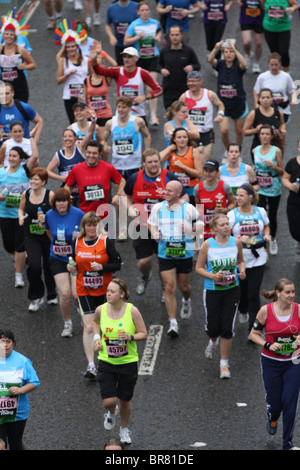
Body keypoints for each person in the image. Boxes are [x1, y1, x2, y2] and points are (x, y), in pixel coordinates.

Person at [123, 147, 188, 297]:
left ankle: (164, 287)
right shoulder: (135, 178)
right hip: (143, 225)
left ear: (160, 161)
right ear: (144, 163)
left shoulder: (169, 177)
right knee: (143, 262)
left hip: (165, 227)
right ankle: (145, 276)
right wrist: (130, 208)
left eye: (156, 161)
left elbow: (184, 197)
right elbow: (125, 195)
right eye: (150, 162)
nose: (153, 165)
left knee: (162, 261)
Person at [93, 278, 147, 445]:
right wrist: (96, 338)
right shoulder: (100, 310)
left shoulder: (132, 311)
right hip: (106, 361)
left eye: (112, 291)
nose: (108, 294)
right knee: (108, 401)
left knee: (125, 400)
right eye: (107, 291)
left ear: (122, 295)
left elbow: (143, 333)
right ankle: (110, 412)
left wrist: (130, 337)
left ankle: (124, 429)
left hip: (128, 362)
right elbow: (95, 323)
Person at [68, 212, 122, 379]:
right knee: (90, 327)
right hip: (84, 290)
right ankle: (91, 365)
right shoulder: (76, 241)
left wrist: (102, 267)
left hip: (105, 291)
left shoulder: (105, 241)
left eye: (94, 225)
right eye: (89, 225)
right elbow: (73, 263)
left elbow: (117, 264)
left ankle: (107, 359)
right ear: (84, 227)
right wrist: (71, 268)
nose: (92, 228)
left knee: (106, 325)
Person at [148, 180, 203, 337]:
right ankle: (173, 323)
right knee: (169, 287)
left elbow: (201, 225)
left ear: (179, 193)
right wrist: (154, 233)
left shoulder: (189, 208)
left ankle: (186, 301)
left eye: (170, 191)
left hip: (184, 253)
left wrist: (189, 229)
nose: (166, 193)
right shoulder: (158, 208)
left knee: (184, 287)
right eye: (165, 190)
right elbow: (151, 224)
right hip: (165, 253)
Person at [249, 279, 300, 450]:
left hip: (294, 362)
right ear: (278, 293)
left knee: (290, 403)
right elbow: (253, 334)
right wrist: (268, 344)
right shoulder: (266, 311)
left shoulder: (299, 310)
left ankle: (288, 444)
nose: (291, 295)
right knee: (276, 403)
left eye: (293, 292)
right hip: (271, 362)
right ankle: (273, 415)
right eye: (288, 292)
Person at [195, 213, 246, 379]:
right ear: (214, 228)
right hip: (212, 290)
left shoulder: (236, 242)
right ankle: (212, 341)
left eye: (228, 224)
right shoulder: (207, 245)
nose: (226, 227)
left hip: (232, 289)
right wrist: (213, 276)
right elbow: (199, 267)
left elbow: (240, 260)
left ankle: (224, 363)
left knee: (227, 328)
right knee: (213, 327)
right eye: (223, 224)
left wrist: (242, 270)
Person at [227, 183, 270, 332]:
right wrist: (239, 239)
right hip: (240, 259)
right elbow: (225, 235)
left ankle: (254, 330)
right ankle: (242, 309)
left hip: (258, 258)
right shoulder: (232, 215)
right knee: (242, 293)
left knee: (253, 295)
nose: (237, 198)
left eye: (241, 195)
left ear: (250, 196)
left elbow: (266, 225)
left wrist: (265, 235)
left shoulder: (260, 211)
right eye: (236, 195)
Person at [45, 188, 85, 338]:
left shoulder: (78, 214)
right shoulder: (49, 215)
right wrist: (58, 248)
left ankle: (83, 315)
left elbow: (86, 232)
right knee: (64, 293)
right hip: (57, 258)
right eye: (58, 201)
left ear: (69, 201)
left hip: (75, 258)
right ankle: (67, 323)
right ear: (54, 203)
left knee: (76, 295)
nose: (61, 204)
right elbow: (49, 233)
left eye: (64, 201)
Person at [18, 167, 57, 312]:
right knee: (34, 266)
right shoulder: (26, 194)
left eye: (36, 179)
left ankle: (52, 294)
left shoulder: (50, 195)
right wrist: (21, 216)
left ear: (43, 182)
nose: (33, 182)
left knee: (49, 265)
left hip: (47, 236)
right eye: (31, 179)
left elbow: (57, 213)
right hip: (31, 236)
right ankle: (36, 296)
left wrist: (47, 218)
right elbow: (21, 209)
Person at [0, 146, 38, 289]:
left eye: (15, 156)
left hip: (22, 214)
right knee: (8, 246)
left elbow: (34, 157)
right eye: (10, 156)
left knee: (19, 246)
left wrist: (32, 138)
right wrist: (1, 197)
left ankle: (18, 275)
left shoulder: (25, 171)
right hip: (4, 214)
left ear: (20, 158)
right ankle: (17, 257)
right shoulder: (1, 173)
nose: (11, 158)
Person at [90, 46, 163, 121]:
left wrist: (145, 97)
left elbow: (159, 90)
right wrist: (94, 59)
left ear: (136, 58)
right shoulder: (117, 71)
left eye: (129, 57)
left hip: (138, 115)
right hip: (121, 115)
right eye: (124, 57)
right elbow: (99, 71)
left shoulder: (142, 73)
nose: (126, 59)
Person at [0, 329, 40, 450]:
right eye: (2, 341)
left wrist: (21, 390)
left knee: (15, 444)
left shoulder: (22, 361)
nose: (5, 345)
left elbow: (34, 382)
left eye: (8, 341)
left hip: (17, 414)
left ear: (13, 343)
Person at [64, 140, 125, 217]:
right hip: (85, 215)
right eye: (89, 152)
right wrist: (67, 195)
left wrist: (118, 195)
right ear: (85, 153)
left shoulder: (108, 168)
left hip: (104, 216)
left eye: (94, 153)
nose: (91, 155)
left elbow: (122, 181)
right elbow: (68, 185)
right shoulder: (77, 169)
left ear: (100, 154)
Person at [124, 2, 161, 126]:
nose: (145, 12)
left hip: (153, 57)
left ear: (149, 11)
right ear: (138, 12)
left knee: (151, 85)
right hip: (139, 58)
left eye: (147, 10)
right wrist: (137, 37)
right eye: (142, 10)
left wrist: (158, 37)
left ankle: (154, 116)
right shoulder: (134, 25)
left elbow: (159, 31)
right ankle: (141, 108)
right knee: (139, 85)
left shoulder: (155, 23)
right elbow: (126, 41)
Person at [47, 118, 97, 206]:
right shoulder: (59, 155)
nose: (67, 139)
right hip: (67, 194)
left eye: (70, 136)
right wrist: (61, 178)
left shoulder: (80, 149)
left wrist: (93, 120)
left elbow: (90, 134)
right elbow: (47, 171)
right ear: (63, 139)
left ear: (75, 138)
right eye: (65, 137)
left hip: (83, 192)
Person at [208, 40, 248, 152]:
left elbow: (244, 64)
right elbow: (210, 60)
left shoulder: (238, 66)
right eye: (226, 52)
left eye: (231, 52)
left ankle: (237, 150)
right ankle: (228, 150)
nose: (229, 54)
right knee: (224, 131)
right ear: (223, 53)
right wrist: (216, 48)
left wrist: (235, 48)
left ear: (235, 53)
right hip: (223, 105)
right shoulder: (220, 64)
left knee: (239, 131)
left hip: (238, 103)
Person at [179, 70, 225, 161]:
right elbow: (177, 111)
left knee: (203, 163)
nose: (190, 83)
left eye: (193, 81)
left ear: (200, 81)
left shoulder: (209, 94)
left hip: (206, 134)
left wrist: (220, 114)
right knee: (190, 162)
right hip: (190, 134)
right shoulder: (184, 96)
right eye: (189, 81)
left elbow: (220, 104)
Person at [253, 124, 283, 255]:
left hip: (273, 187)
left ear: (271, 136)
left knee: (272, 215)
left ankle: (273, 239)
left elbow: (282, 171)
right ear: (259, 136)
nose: (264, 136)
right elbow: (255, 168)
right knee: (260, 216)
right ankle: (263, 244)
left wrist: (273, 166)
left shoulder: (276, 151)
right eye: (262, 134)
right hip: (260, 188)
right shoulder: (255, 150)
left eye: (267, 134)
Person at [158, 25, 201, 109]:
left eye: (177, 35)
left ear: (181, 35)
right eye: (172, 35)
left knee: (184, 116)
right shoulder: (164, 51)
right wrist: (161, 70)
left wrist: (191, 67)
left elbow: (197, 65)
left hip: (184, 89)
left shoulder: (188, 51)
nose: (175, 37)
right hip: (169, 90)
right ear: (169, 36)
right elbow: (158, 65)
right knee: (170, 117)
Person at [55, 20, 89, 124]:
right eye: (68, 47)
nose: (71, 49)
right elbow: (58, 80)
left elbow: (92, 78)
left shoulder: (86, 60)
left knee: (86, 123)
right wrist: (68, 74)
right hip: (69, 97)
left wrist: (87, 93)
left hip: (84, 96)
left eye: (73, 46)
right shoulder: (63, 61)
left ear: (77, 46)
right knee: (73, 124)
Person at [160, 127, 203, 204]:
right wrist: (170, 148)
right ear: (174, 139)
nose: (182, 139)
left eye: (184, 137)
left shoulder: (194, 151)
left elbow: (199, 174)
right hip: (174, 192)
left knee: (194, 214)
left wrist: (183, 166)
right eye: (179, 137)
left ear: (188, 139)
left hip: (191, 190)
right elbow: (157, 160)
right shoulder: (171, 152)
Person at [194, 159, 235, 240]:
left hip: (221, 228)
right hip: (204, 229)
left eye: (211, 171)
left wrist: (225, 210)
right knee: (202, 251)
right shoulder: (198, 188)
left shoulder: (224, 186)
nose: (207, 174)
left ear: (217, 172)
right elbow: (198, 208)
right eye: (206, 171)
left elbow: (233, 203)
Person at [0, 14, 36, 103]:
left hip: (20, 88)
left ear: (15, 37)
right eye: (7, 34)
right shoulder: (0, 48)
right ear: (3, 35)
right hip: (4, 89)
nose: (9, 36)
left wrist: (25, 67)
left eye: (11, 35)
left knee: (19, 114)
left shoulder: (20, 49)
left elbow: (33, 64)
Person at [253, 52, 297, 124]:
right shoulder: (262, 77)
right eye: (272, 65)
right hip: (267, 109)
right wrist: (256, 104)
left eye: (276, 65)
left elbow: (292, 90)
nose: (274, 67)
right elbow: (256, 91)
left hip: (283, 109)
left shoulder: (286, 76)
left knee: (281, 133)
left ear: (280, 64)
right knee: (268, 132)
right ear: (268, 64)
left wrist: (294, 99)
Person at [243, 88, 286, 160]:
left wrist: (283, 129)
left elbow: (282, 124)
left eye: (268, 97)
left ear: (272, 99)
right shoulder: (254, 114)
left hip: (275, 146)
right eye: (263, 97)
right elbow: (245, 132)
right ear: (259, 99)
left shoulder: (278, 113)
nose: (265, 100)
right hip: (259, 146)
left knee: (276, 168)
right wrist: (256, 130)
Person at [83, 45, 116, 130]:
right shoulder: (86, 81)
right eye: (95, 64)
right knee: (91, 141)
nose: (96, 67)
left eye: (99, 64)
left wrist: (102, 52)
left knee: (102, 141)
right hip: (91, 116)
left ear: (103, 65)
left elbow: (115, 66)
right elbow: (84, 99)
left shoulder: (106, 78)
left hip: (105, 115)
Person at [261, 0, 299, 72]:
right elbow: (262, 5)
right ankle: (277, 72)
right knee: (274, 53)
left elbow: (296, 4)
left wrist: (292, 9)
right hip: (269, 28)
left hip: (284, 28)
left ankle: (286, 71)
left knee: (284, 52)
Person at [105, 0, 138, 65]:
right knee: (121, 68)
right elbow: (107, 25)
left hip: (134, 44)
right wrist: (111, 37)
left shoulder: (136, 7)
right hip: (119, 44)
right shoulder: (112, 8)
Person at [281, 140, 300, 252]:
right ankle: (298, 240)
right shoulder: (292, 163)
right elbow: (284, 178)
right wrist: (290, 186)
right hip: (294, 202)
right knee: (294, 230)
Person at [238, 0, 264, 73]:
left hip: (259, 19)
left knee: (258, 43)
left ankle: (256, 63)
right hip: (245, 18)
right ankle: (248, 54)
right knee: (246, 42)